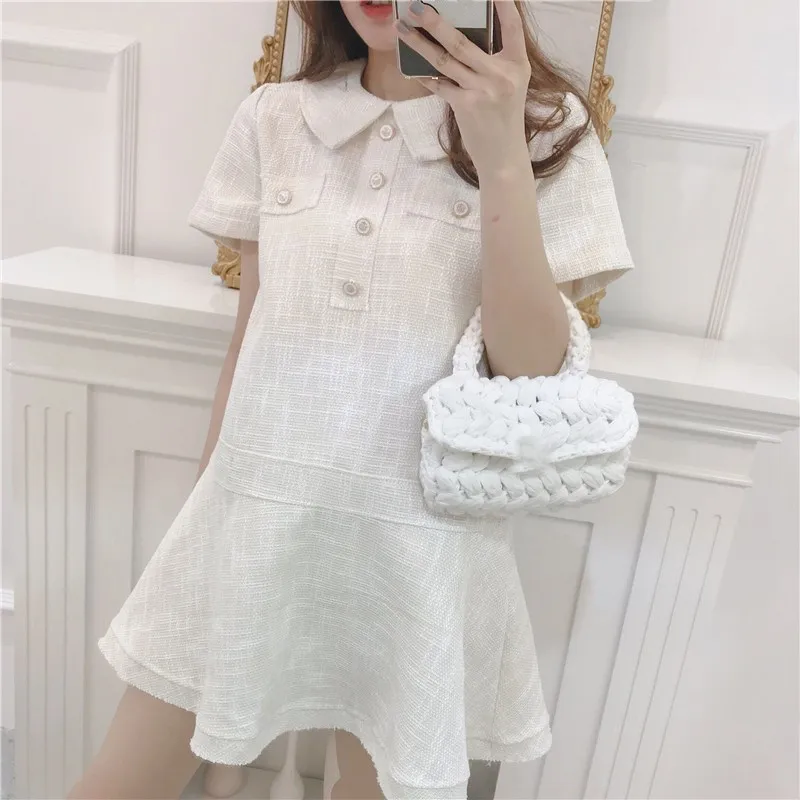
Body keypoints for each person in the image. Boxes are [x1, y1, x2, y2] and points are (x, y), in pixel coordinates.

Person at [69, 0, 633, 797]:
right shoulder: (275, 117)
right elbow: (249, 344)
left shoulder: (545, 129)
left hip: (420, 548)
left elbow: (529, 375)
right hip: (254, 519)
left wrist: (502, 156)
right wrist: (206, 514)